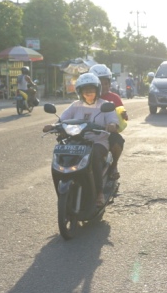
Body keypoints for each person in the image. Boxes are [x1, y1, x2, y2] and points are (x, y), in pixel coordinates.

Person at [43, 73, 119, 207]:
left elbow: (113, 120)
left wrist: (112, 125)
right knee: (61, 153)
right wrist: (53, 126)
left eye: (91, 89)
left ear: (97, 90)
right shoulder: (75, 105)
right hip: (76, 142)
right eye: (85, 90)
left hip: (97, 142)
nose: (88, 92)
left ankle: (100, 192)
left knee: (93, 155)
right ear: (80, 92)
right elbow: (63, 119)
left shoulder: (104, 105)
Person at [90, 64, 128, 179]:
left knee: (118, 142)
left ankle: (114, 166)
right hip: (88, 132)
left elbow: (121, 114)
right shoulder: (86, 96)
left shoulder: (114, 98)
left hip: (107, 133)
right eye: (100, 84)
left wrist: (123, 115)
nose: (104, 86)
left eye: (106, 83)